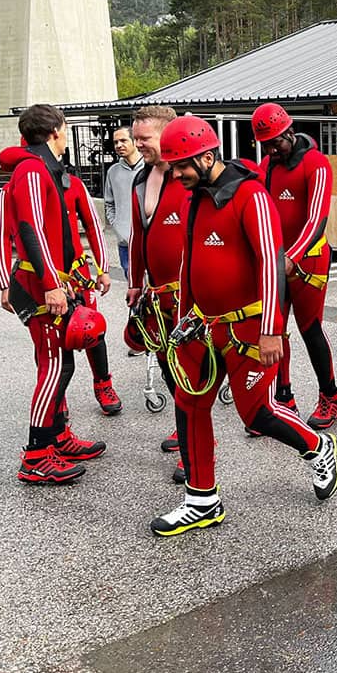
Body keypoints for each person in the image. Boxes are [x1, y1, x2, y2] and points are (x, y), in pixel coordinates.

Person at [149, 115, 337, 536]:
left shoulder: (251, 196)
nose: (174, 174)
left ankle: (318, 447)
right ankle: (202, 500)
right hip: (202, 327)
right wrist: (183, 320)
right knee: (189, 403)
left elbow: (271, 265)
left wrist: (272, 330)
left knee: (258, 414)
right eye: (172, 165)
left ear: (208, 156)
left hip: (249, 329)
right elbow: (188, 265)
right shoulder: (192, 198)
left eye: (180, 165)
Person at [0, 104, 106, 484]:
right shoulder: (30, 169)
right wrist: (51, 286)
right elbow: (30, 229)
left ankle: (58, 437)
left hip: (52, 280)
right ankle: (37, 455)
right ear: (57, 130)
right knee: (53, 366)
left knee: (63, 363)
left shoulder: (44, 168)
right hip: (41, 284)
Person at [251, 103, 337, 430]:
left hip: (309, 262)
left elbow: (317, 218)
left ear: (290, 131)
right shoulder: (267, 166)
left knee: (310, 328)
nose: (273, 150)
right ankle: (283, 396)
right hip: (278, 262)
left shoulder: (316, 164)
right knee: (275, 329)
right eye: (267, 145)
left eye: (277, 142)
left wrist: (293, 256)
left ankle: (330, 396)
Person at [125, 105, 188, 469]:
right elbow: (138, 235)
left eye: (144, 139)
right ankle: (185, 429)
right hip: (155, 295)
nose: (138, 144)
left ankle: (197, 444)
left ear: (167, 135)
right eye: (136, 138)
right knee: (167, 367)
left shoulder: (191, 177)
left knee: (190, 371)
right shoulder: (140, 179)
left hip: (189, 297)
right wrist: (135, 283)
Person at [61, 165, 122, 415]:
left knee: (92, 330)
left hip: (77, 275)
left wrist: (103, 268)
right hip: (43, 278)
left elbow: (93, 226)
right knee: (53, 339)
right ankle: (56, 395)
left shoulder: (73, 185)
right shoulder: (20, 186)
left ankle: (103, 384)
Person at [103, 125, 143, 285]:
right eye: (115, 142)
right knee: (132, 285)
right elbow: (109, 203)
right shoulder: (113, 172)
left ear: (135, 141)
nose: (119, 145)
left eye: (123, 140)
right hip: (125, 243)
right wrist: (117, 227)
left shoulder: (150, 169)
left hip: (147, 242)